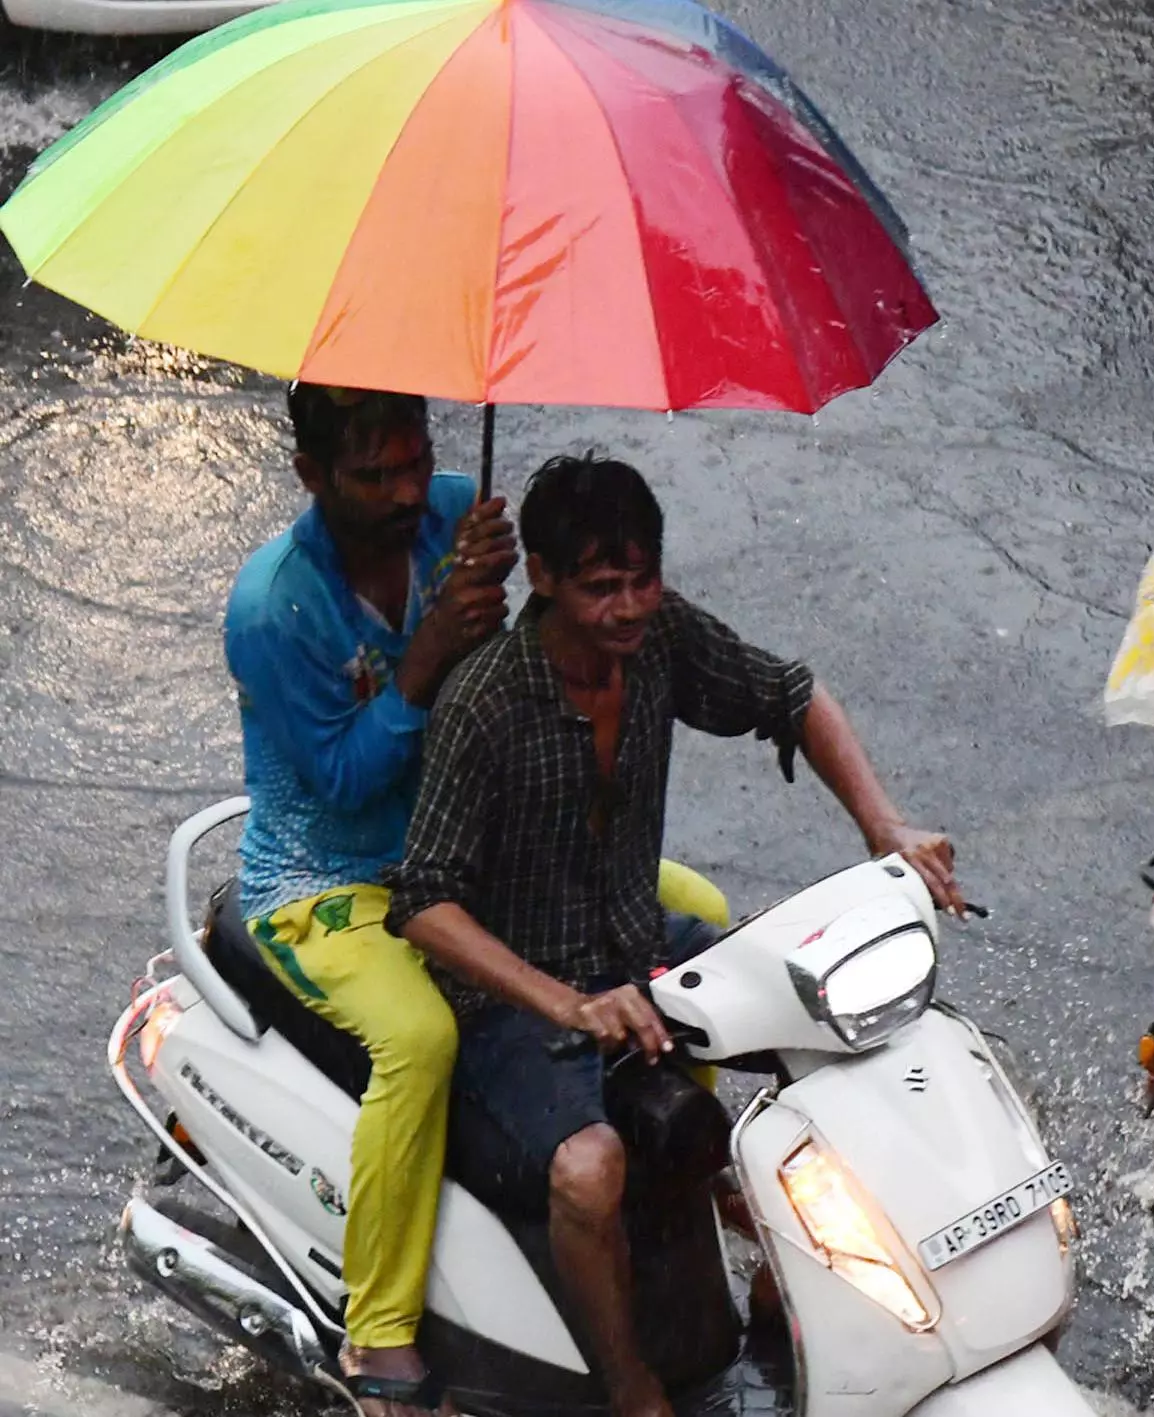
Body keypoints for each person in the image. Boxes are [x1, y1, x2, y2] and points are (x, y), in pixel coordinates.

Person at [387, 455, 960, 1417]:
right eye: (600, 587)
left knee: (848, 1024)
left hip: (638, 941)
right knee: (589, 1170)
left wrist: (884, 825)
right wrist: (566, 1003)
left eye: (641, 579)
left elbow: (792, 694)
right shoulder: (483, 701)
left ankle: (788, 1292)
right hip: (515, 1001)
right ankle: (633, 1389)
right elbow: (423, 902)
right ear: (542, 576)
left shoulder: (660, 641)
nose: (626, 607)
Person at [224, 385, 514, 1417]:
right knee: (420, 1037)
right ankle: (379, 1326)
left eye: (416, 461)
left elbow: (501, 690)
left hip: (457, 844)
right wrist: (431, 649)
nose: (405, 493)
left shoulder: (455, 516)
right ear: (311, 474)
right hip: (324, 883)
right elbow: (345, 779)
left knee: (684, 909)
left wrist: (498, 600)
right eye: (374, 475)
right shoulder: (275, 607)